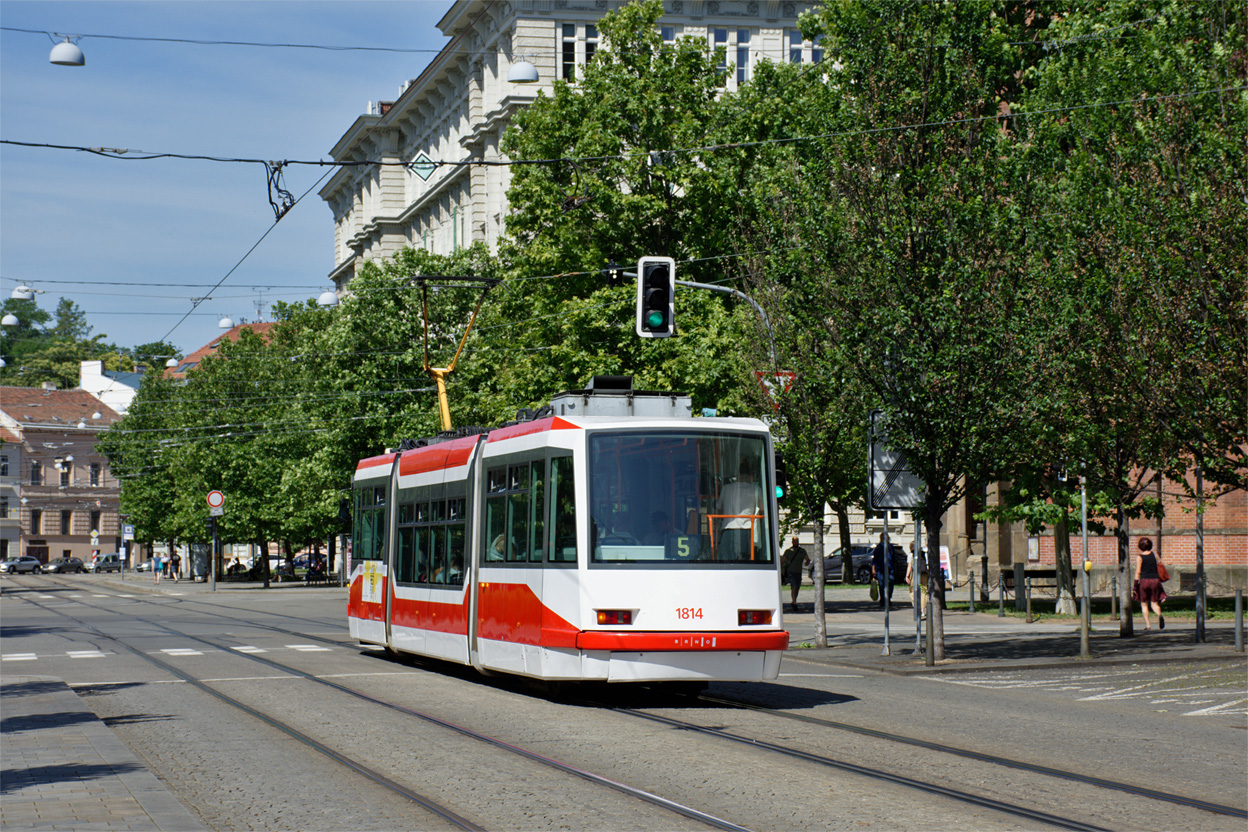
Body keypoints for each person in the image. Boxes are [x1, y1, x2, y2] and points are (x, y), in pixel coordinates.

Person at [717, 463, 763, 559]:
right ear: (751, 475)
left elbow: (719, 510)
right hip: (746, 533)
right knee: (745, 561)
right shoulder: (755, 489)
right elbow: (762, 511)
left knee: (725, 561)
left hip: (727, 530)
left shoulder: (726, 488)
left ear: (738, 474)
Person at [1134, 536, 1166, 631]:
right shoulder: (1154, 554)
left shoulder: (1139, 557)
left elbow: (1138, 571)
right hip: (1155, 580)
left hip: (1144, 581)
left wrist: (1135, 585)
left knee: (1144, 604)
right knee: (1154, 603)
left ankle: (1148, 625)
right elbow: (1160, 563)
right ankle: (1159, 615)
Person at [780, 536, 809, 609]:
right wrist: (780, 569)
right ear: (792, 542)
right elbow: (782, 560)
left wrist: (807, 562)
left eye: (797, 541)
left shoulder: (802, 551)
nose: (796, 542)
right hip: (790, 571)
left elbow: (807, 559)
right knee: (794, 586)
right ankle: (794, 601)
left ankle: (794, 600)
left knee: (797, 587)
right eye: (794, 541)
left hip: (799, 572)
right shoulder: (788, 551)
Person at [871, 532, 896, 607]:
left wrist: (895, 568)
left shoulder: (890, 547)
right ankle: (883, 599)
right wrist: (873, 569)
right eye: (883, 538)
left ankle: (888, 598)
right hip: (880, 569)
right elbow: (874, 560)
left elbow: (894, 559)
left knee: (890, 583)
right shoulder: (878, 548)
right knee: (881, 584)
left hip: (890, 569)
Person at [906, 541, 928, 619]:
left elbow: (909, 566)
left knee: (912, 590)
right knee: (924, 590)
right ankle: (923, 609)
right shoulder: (923, 553)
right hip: (924, 574)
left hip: (915, 575)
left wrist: (907, 576)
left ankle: (917, 606)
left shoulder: (911, 555)